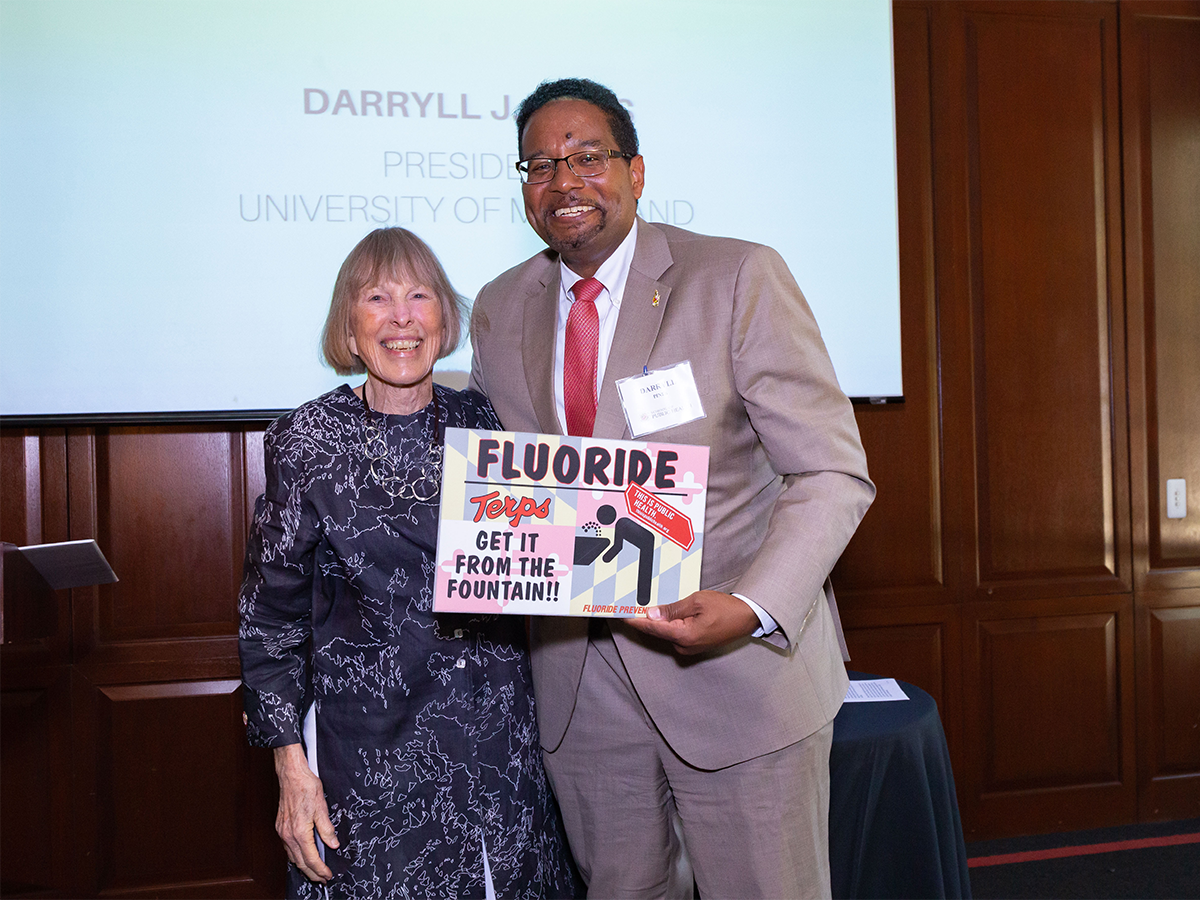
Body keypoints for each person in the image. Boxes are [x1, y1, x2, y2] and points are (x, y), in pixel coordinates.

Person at [468, 79, 875, 899]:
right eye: (540, 165)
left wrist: (753, 605)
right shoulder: (499, 306)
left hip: (738, 681)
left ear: (637, 171)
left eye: (588, 157)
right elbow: (509, 481)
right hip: (581, 696)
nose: (564, 181)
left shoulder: (735, 276)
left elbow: (831, 470)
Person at [238, 227, 579, 899]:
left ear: (444, 317)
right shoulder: (307, 440)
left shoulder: (488, 426)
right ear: (349, 321)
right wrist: (290, 768)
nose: (401, 317)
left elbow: (556, 556)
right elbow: (269, 620)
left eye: (420, 296)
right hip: (374, 765)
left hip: (501, 754)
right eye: (377, 298)